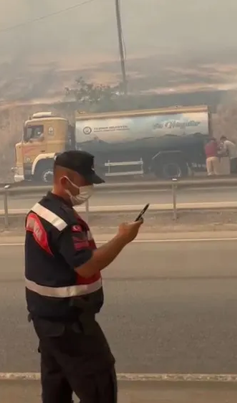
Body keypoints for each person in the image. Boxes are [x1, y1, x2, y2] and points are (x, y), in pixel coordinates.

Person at [24, 150, 143, 403]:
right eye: (85, 180)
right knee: (99, 386)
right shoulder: (63, 221)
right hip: (71, 324)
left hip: (47, 321)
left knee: (56, 389)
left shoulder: (40, 210)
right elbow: (86, 266)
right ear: (65, 181)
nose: (89, 186)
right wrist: (123, 238)